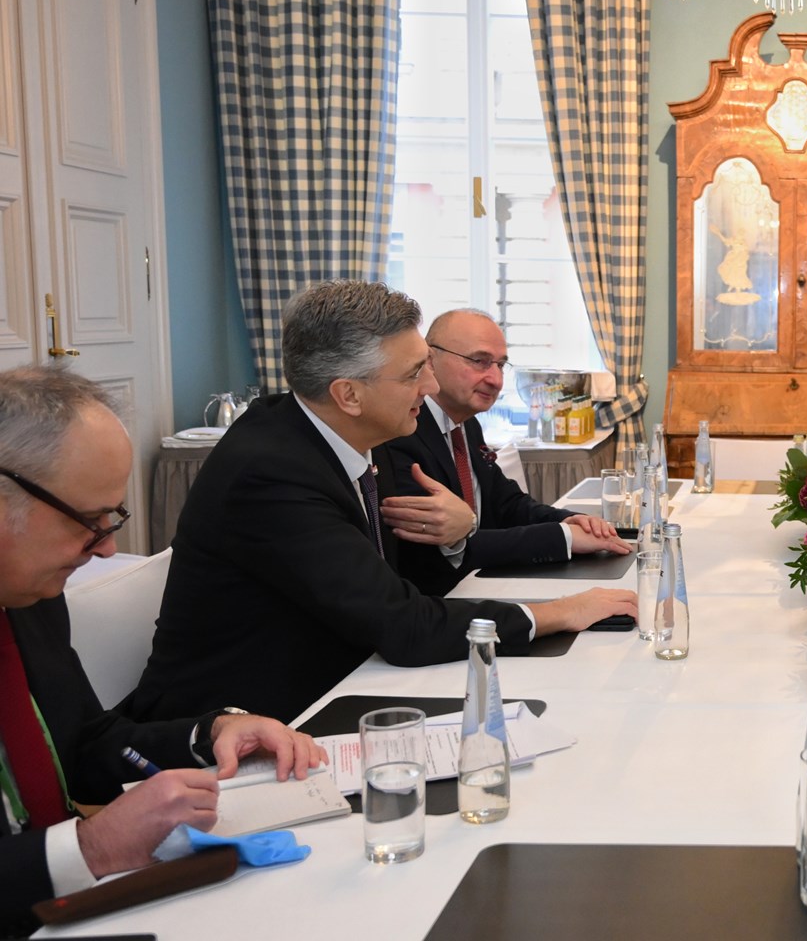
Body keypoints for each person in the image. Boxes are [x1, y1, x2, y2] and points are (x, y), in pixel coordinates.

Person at [123, 282, 635, 726]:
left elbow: (409, 584)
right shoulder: (270, 472)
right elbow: (404, 625)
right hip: (239, 726)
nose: (430, 387)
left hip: (345, 679)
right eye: (414, 374)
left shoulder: (352, 437)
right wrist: (562, 612)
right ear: (348, 395)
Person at [0, 367, 322, 934]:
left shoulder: (27, 596)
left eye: (112, 517)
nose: (107, 549)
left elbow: (81, 745)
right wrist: (91, 847)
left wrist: (210, 732)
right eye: (89, 521)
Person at [383, 309, 630, 596]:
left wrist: (567, 520)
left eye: (500, 365)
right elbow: (438, 547)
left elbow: (506, 502)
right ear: (430, 359)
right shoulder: (402, 431)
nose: (496, 380)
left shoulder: (466, 424)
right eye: (479, 361)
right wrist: (562, 536)